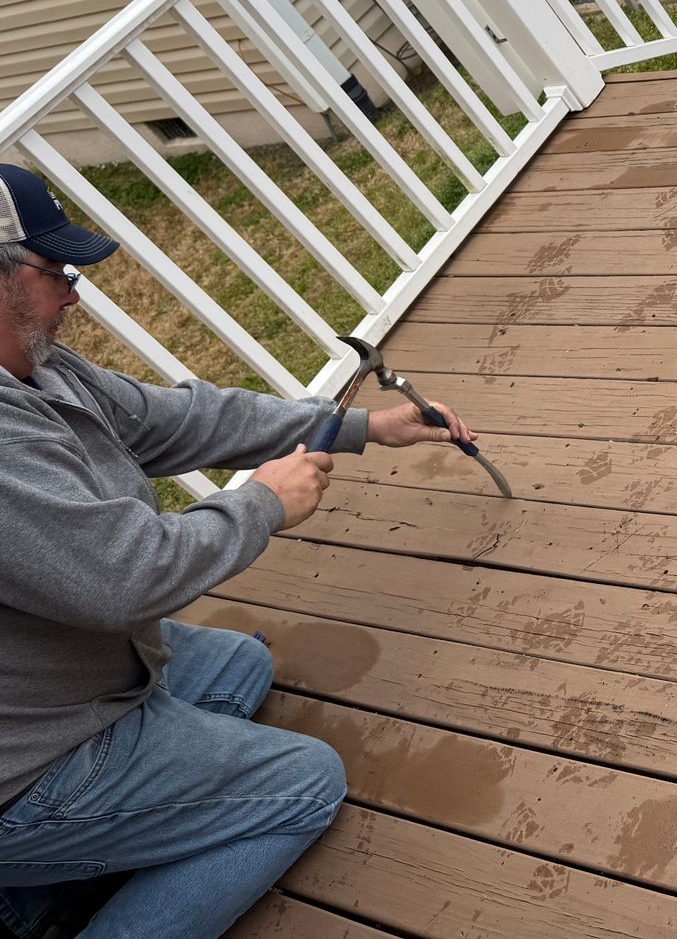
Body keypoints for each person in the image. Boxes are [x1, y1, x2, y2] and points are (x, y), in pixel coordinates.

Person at [0, 163, 476, 938]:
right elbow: (125, 578)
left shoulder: (37, 367)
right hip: (22, 766)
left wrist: (361, 427)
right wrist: (261, 504)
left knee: (239, 667)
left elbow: (178, 421)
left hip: (56, 676)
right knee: (303, 784)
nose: (74, 293)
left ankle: (53, 881)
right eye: (57, 272)